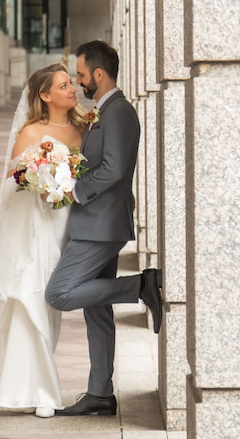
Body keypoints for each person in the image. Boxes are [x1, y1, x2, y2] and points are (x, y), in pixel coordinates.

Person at [45, 40, 162, 417]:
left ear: (98, 73)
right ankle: (100, 392)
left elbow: (113, 167)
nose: (78, 82)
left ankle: (140, 285)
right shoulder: (102, 111)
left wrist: (76, 190)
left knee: (60, 293)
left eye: (80, 74)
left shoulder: (120, 112)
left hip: (101, 224)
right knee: (96, 309)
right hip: (95, 222)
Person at [0, 63, 87, 418]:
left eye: (72, 83)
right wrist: (39, 180)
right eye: (64, 85)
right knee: (31, 297)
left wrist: (62, 186)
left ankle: (28, 385)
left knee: (52, 306)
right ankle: (41, 392)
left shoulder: (84, 130)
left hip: (69, 227)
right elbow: (10, 183)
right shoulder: (30, 132)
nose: (72, 89)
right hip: (36, 226)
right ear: (45, 95)